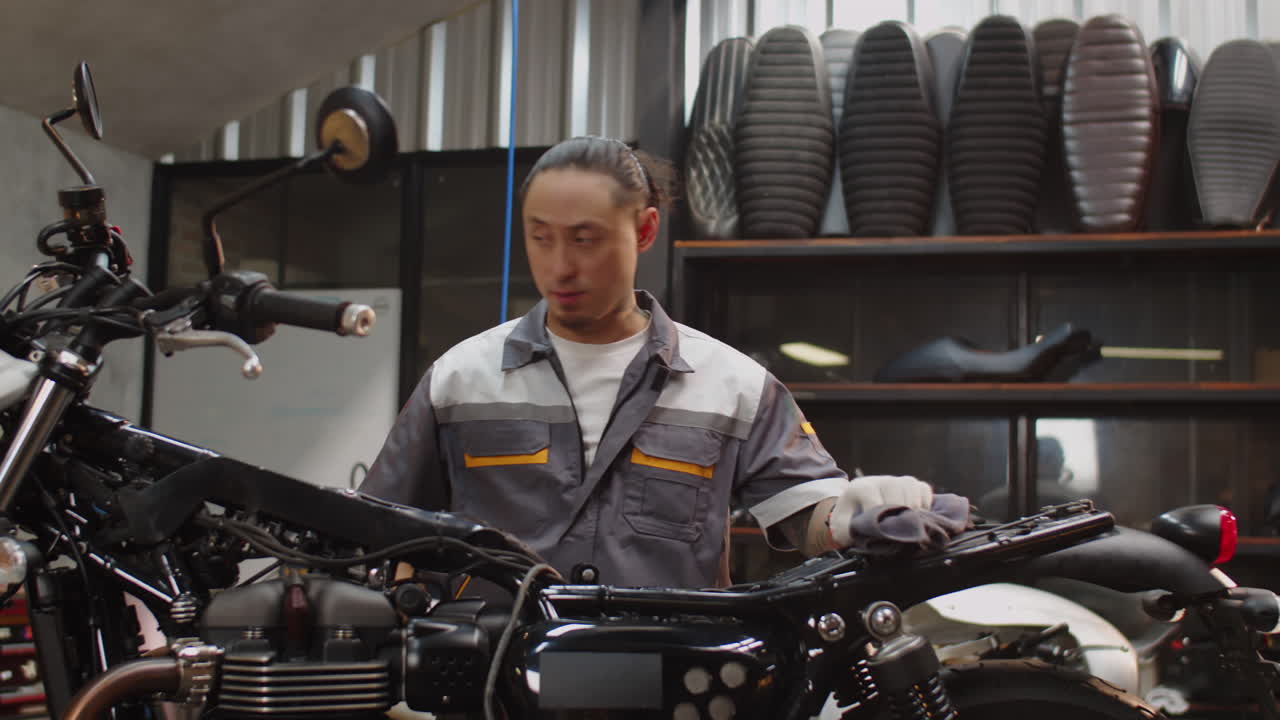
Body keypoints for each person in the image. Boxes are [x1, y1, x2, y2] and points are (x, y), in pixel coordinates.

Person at [359, 136, 942, 590]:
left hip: (673, 679)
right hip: (494, 681)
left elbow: (804, 516)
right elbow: (376, 532)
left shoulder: (732, 385)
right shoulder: (461, 379)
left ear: (643, 230)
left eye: (585, 239)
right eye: (540, 238)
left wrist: (852, 513)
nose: (560, 267)